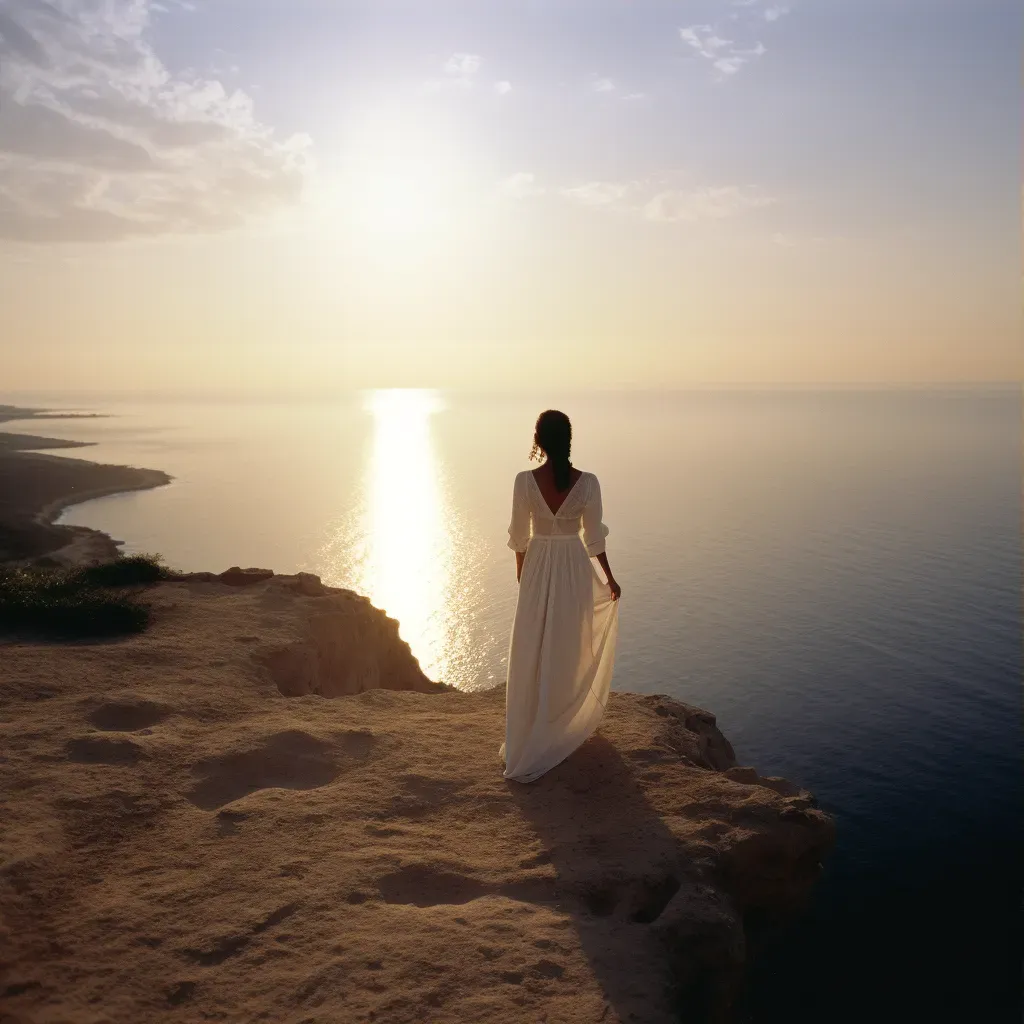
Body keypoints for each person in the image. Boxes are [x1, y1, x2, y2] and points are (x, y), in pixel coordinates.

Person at [501, 409, 621, 783]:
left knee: (532, 645)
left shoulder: (524, 482)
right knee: (568, 644)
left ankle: (534, 730)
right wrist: (609, 579)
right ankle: (559, 726)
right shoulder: (587, 483)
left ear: (538, 441)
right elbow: (594, 539)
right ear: (568, 439)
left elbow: (519, 537)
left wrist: (524, 572)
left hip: (538, 565)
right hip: (573, 567)